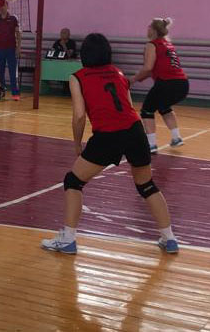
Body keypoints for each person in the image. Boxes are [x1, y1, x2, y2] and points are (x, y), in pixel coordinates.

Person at [42, 33, 179, 255]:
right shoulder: (119, 73)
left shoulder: (78, 77)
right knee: (147, 186)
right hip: (135, 131)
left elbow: (79, 116)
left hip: (107, 135)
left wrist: (77, 144)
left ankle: (67, 239)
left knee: (73, 182)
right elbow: (129, 107)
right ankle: (169, 238)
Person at [130, 17, 189, 154]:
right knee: (163, 106)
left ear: (153, 30)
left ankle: (151, 145)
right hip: (183, 84)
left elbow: (148, 68)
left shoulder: (152, 45)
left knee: (147, 110)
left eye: (149, 27)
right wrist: (140, 77)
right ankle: (176, 137)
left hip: (167, 83)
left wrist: (132, 79)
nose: (147, 29)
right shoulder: (168, 44)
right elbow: (155, 69)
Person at [0, 2, 22, 101]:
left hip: (11, 49)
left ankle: (15, 93)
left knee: (13, 72)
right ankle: (2, 93)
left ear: (7, 6)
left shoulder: (13, 19)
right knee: (0, 72)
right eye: (0, 6)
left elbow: (18, 33)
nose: (2, 8)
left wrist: (18, 47)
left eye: (4, 5)